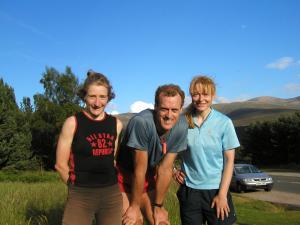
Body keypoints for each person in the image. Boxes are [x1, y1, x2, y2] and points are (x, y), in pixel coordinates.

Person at [55, 70, 123, 225]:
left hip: (111, 194)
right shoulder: (72, 123)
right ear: (84, 96)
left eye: (102, 97)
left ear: (108, 97)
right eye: (92, 96)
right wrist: (74, 189)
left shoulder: (116, 124)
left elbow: (113, 160)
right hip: (80, 194)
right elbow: (60, 165)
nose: (97, 103)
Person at [116, 84, 188, 225]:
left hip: (148, 177)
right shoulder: (141, 123)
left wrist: (158, 206)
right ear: (155, 107)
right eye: (164, 109)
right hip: (123, 177)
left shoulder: (181, 126)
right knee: (133, 221)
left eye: (174, 110)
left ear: (181, 109)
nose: (169, 115)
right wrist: (134, 207)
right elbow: (139, 170)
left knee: (161, 222)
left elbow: (165, 169)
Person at [174, 76, 240, 225]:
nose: (200, 99)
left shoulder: (224, 123)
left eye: (205, 94)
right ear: (191, 96)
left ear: (213, 95)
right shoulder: (182, 122)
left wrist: (222, 195)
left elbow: (229, 162)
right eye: (196, 94)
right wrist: (173, 170)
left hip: (216, 190)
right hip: (189, 191)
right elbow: (164, 148)